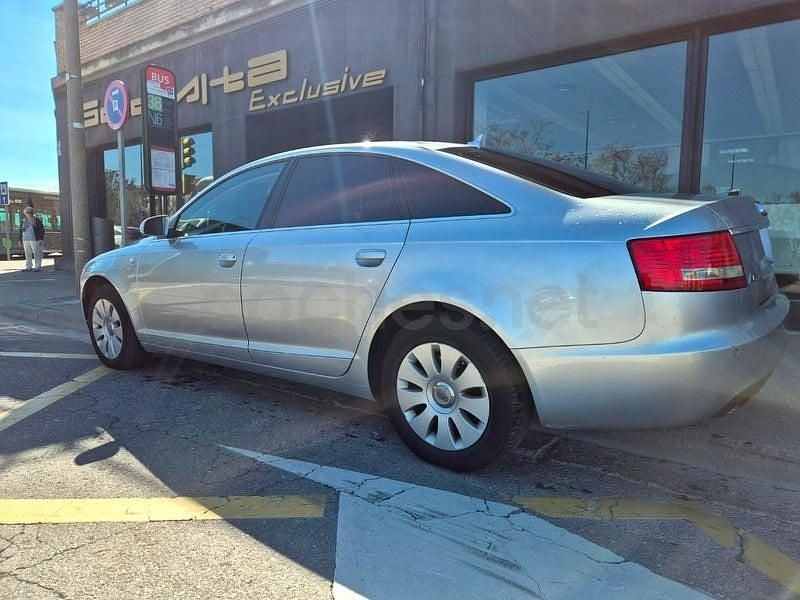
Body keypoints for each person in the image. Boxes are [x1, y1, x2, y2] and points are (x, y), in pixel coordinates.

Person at [19, 207, 45, 272]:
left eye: (30, 212)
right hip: (25, 239)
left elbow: (42, 230)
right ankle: (28, 267)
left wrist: (41, 239)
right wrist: (20, 240)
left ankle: (37, 267)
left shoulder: (36, 220)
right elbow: (21, 231)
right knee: (27, 253)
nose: (29, 214)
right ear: (25, 213)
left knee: (37, 253)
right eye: (27, 212)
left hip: (34, 239)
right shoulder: (23, 221)